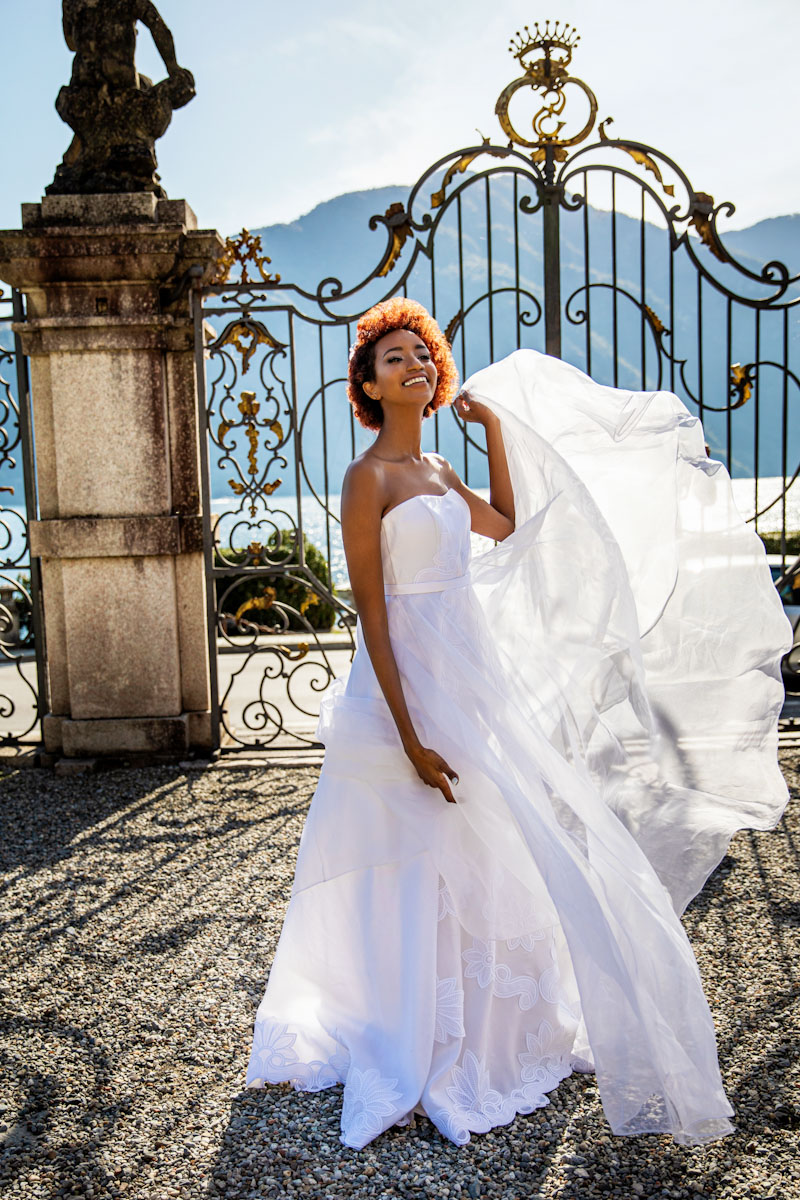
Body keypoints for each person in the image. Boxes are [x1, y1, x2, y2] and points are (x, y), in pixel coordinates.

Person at [245, 297, 791, 1150]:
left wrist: (493, 427)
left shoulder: (433, 471)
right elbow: (372, 615)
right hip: (409, 686)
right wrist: (407, 732)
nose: (412, 366)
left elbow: (504, 525)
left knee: (492, 842)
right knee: (414, 847)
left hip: (471, 676)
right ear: (367, 383)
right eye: (392, 359)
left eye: (420, 355)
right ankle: (413, 1033)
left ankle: (494, 1031)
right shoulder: (370, 479)